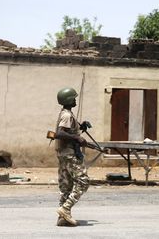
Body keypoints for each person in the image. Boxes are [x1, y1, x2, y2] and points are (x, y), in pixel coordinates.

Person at [54, 87, 90, 227]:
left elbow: (66, 131)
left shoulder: (66, 113)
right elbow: (60, 133)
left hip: (63, 153)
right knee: (83, 181)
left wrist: (81, 128)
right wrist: (77, 138)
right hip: (69, 154)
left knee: (66, 186)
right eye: (73, 98)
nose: (75, 100)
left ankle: (63, 218)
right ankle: (66, 208)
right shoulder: (67, 115)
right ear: (68, 99)